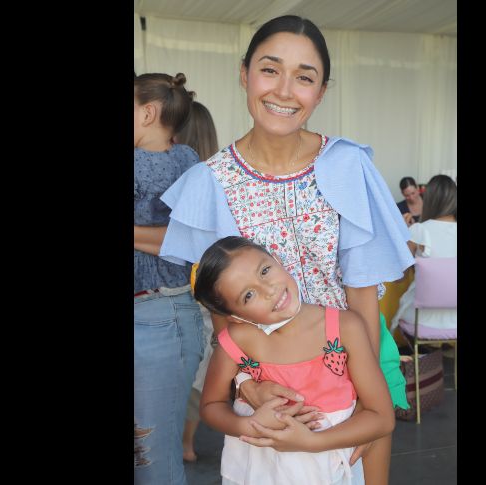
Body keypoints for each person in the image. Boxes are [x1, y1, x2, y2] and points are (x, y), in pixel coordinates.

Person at [158, 16, 413, 484]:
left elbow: (361, 290)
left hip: (357, 363)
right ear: (245, 74)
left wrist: (364, 399)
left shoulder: (348, 164)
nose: (284, 90)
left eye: (305, 77)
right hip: (271, 380)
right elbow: (223, 309)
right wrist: (249, 384)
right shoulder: (208, 183)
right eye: (270, 69)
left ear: (321, 91)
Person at [195, 236, 395, 484]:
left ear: (278, 260)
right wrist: (248, 425)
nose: (269, 290)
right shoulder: (235, 342)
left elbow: (381, 417)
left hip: (328, 469)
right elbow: (210, 405)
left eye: (265, 270)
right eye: (248, 295)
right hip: (260, 471)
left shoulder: (344, 327)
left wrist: (311, 442)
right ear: (234, 316)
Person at [133, 72, 205, 485]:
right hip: (173, 309)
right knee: (156, 459)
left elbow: (188, 241)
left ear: (147, 112)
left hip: (153, 314)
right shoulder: (190, 161)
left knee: (151, 462)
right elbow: (189, 242)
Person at [172, 101, 221, 462]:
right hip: (208, 294)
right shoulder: (219, 179)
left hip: (177, 292)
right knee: (197, 373)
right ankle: (186, 442)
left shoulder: (178, 177)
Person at [390, 174, 457, 335]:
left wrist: (401, 233)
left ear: (429, 199)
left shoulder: (418, 230)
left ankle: (426, 355)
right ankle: (446, 354)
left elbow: (399, 277)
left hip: (420, 317)